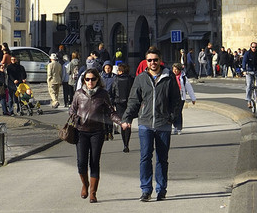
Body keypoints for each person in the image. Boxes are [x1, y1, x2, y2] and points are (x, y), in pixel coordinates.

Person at [121, 50, 184, 201]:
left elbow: (177, 100)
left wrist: (172, 117)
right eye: (149, 60)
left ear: (160, 60)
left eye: (155, 60)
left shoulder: (168, 78)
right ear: (146, 62)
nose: (152, 63)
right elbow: (133, 100)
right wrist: (127, 118)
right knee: (145, 157)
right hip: (145, 123)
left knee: (162, 158)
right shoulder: (141, 78)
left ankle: (161, 189)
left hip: (163, 124)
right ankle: (146, 190)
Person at [68, 68, 118, 202]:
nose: (90, 82)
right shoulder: (78, 94)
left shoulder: (103, 94)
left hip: (97, 132)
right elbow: (72, 109)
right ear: (84, 80)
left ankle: (93, 193)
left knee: (94, 162)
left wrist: (121, 121)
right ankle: (85, 184)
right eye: (87, 79)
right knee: (81, 162)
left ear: (98, 80)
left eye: (93, 79)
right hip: (81, 131)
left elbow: (110, 112)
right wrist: (75, 118)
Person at [112, 62, 136, 152]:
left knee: (123, 123)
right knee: (128, 122)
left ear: (121, 71)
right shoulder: (131, 79)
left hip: (119, 103)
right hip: (129, 103)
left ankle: (125, 144)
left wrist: (112, 102)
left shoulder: (116, 79)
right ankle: (127, 143)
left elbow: (113, 90)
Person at [243, 41, 257, 109]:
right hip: (249, 71)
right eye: (253, 47)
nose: (254, 48)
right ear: (250, 47)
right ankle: (249, 101)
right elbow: (244, 61)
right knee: (249, 85)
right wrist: (244, 70)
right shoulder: (247, 53)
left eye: (255, 47)